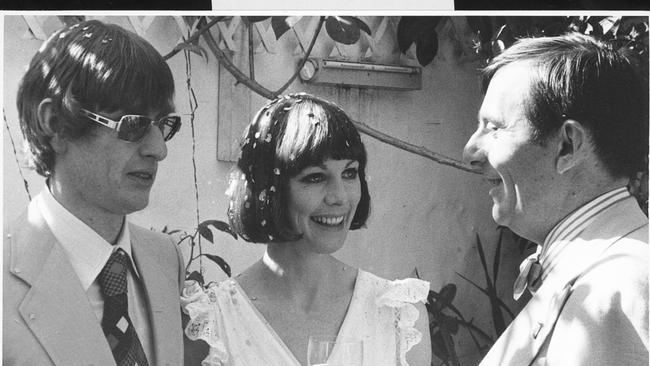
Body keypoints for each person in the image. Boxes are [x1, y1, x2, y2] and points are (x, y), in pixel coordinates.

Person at [182, 93, 432, 366]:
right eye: (315, 177)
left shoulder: (398, 315)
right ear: (270, 191)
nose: (339, 197)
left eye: (349, 173)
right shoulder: (212, 321)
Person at [3, 20, 185, 366]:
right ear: (55, 124)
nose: (159, 150)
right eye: (133, 125)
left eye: (164, 125)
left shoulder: (165, 258)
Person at [463, 33, 649, 365]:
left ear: (567, 146)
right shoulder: (602, 272)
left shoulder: (619, 288)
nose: (471, 152)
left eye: (493, 128)